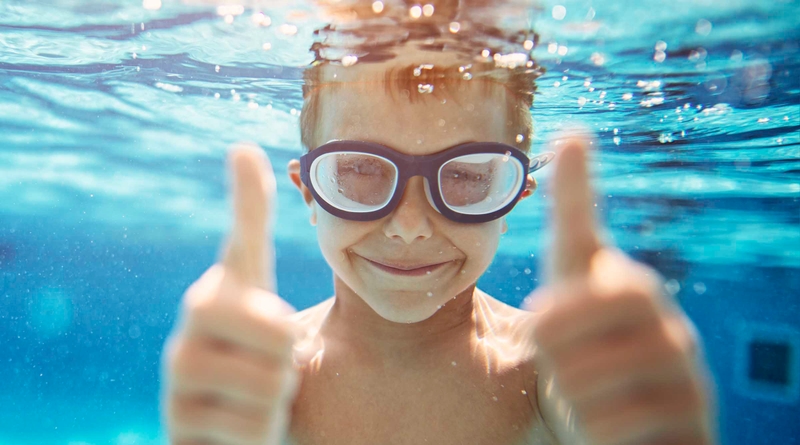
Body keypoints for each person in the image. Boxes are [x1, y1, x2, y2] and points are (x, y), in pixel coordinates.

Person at [159, 5, 717, 445]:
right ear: (310, 191)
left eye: (468, 178)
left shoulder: (544, 375)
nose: (410, 226)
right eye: (357, 171)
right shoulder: (264, 387)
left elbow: (584, 410)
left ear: (512, 198)